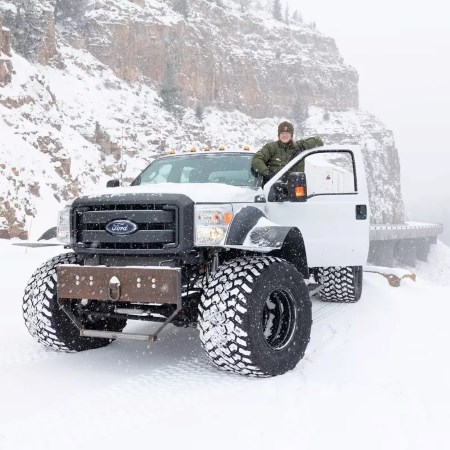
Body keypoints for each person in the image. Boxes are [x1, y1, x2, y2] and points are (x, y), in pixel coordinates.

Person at [251, 121, 324, 184]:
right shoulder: (271, 147)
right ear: (279, 135)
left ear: (291, 135)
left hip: (296, 187)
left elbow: (318, 141)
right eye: (282, 133)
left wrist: (303, 147)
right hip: (275, 186)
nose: (284, 135)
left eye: (287, 133)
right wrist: (268, 173)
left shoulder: (298, 146)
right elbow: (257, 159)